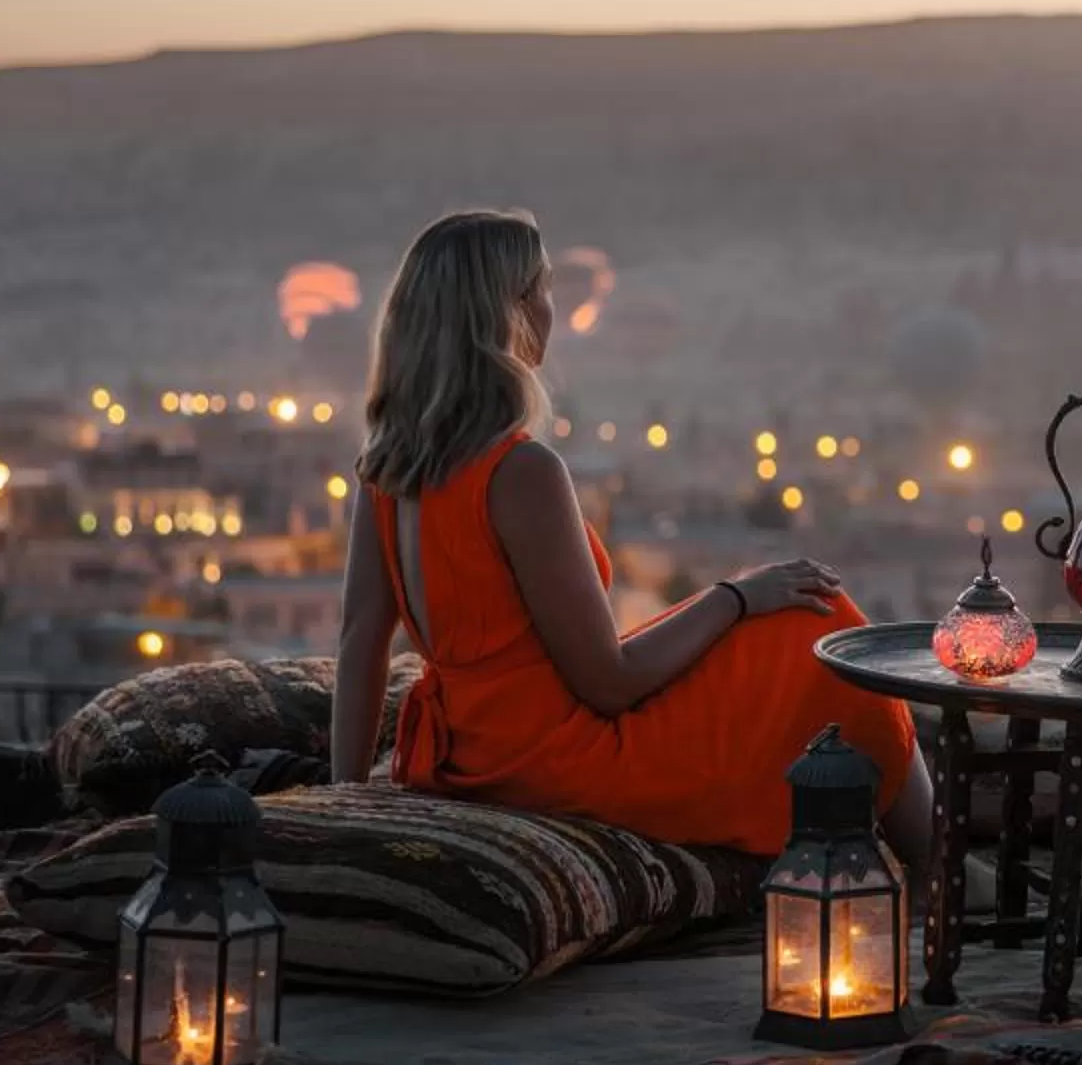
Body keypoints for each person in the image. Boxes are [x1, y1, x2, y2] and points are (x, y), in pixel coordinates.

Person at [328, 207, 927, 865]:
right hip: (553, 764)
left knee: (783, 632)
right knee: (822, 626)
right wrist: (736, 597)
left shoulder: (387, 471)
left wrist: (343, 795)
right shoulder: (520, 472)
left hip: (465, 754)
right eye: (545, 290)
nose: (554, 311)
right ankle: (941, 865)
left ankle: (948, 863)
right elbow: (609, 684)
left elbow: (361, 641)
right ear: (509, 313)